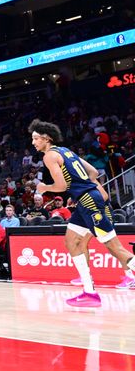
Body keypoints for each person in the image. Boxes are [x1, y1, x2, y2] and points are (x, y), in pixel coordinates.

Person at [29, 119, 135, 307]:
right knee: (71, 241)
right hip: (86, 201)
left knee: (114, 247)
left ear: (46, 138)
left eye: (36, 138)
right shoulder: (66, 151)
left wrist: (45, 187)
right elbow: (93, 172)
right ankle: (90, 292)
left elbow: (61, 186)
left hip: (89, 203)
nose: (33, 142)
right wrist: (80, 188)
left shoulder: (49, 156)